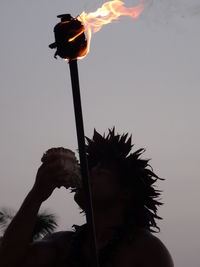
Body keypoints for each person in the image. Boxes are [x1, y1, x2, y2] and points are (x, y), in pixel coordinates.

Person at [0, 128, 174, 267]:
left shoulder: (147, 250)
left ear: (125, 193)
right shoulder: (62, 244)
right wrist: (37, 195)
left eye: (101, 170)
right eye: (90, 167)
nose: (89, 172)